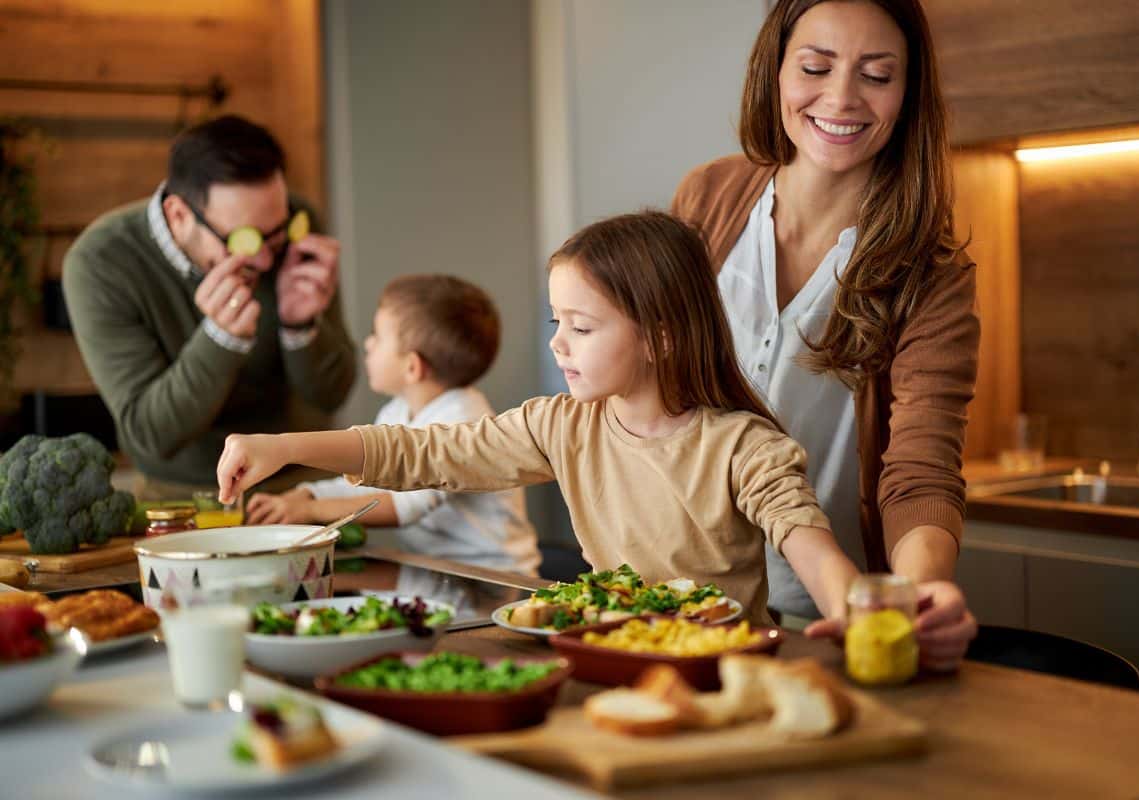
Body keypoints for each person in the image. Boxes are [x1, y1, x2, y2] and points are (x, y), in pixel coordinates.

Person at [216, 211, 863, 626]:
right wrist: (283, 447)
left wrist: (851, 614)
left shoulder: (742, 447)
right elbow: (422, 455)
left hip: (718, 672)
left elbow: (807, 541)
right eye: (559, 322)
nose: (557, 343)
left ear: (661, 338)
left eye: (581, 327)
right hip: (607, 654)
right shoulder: (560, 426)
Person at [671, 0, 978, 669]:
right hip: (672, 600)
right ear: (776, 72)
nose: (841, 98)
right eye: (815, 66)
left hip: (820, 619)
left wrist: (922, 592)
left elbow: (919, 469)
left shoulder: (931, 272)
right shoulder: (709, 198)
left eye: (877, 74)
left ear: (909, 93)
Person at [63, 115, 356, 499]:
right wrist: (220, 339)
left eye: (276, 235)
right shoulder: (100, 261)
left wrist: (300, 327)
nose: (267, 260)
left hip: (302, 489)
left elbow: (331, 395)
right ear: (179, 216)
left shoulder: (291, 223)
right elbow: (152, 434)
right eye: (245, 240)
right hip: (184, 499)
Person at [246, 274, 541, 575]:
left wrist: (309, 511)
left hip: (493, 577)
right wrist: (308, 494)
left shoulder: (464, 419)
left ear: (412, 367)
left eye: (378, 336)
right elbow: (370, 479)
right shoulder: (397, 411)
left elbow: (405, 506)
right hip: (435, 572)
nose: (368, 343)